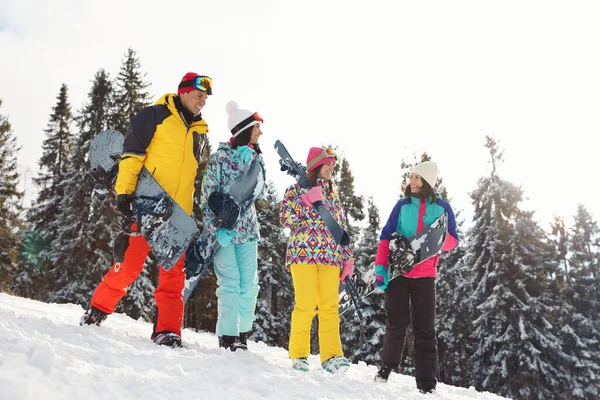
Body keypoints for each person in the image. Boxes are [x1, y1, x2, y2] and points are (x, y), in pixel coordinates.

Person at [80, 72, 212, 348]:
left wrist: (191, 213)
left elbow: (192, 177)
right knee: (128, 265)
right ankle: (98, 309)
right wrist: (125, 193)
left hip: (177, 215)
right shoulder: (153, 116)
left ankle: (168, 330)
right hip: (147, 206)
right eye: (198, 95)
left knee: (173, 276)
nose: (203, 101)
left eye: (205, 97)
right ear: (183, 92)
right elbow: (132, 155)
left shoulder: (200, 133)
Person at [372, 161, 458, 393]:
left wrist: (438, 237)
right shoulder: (402, 206)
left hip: (425, 275)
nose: (412, 181)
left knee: (425, 329)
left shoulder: (443, 208)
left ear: (428, 181)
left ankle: (427, 384)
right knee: (396, 324)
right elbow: (385, 236)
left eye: (418, 178)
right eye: (411, 176)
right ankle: (386, 368)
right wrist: (380, 268)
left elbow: (452, 242)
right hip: (398, 272)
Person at [279, 146, 354, 374]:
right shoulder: (295, 190)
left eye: (333, 164)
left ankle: (332, 356)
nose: (331, 168)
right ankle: (299, 355)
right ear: (315, 167)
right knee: (306, 304)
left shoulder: (333, 196)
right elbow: (285, 218)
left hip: (330, 257)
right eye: (327, 164)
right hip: (303, 255)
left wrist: (348, 260)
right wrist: (305, 201)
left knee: (330, 307)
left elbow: (341, 228)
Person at [201, 101, 266, 352]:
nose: (260, 133)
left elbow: (261, 190)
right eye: (256, 127)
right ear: (244, 129)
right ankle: (227, 335)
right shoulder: (219, 158)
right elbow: (207, 194)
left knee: (249, 284)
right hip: (223, 233)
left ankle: (242, 334)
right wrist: (214, 228)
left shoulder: (254, 158)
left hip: (248, 231)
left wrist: (255, 162)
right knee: (229, 283)